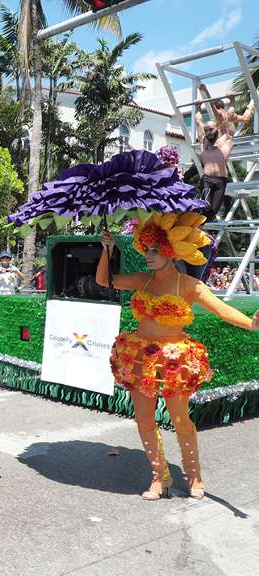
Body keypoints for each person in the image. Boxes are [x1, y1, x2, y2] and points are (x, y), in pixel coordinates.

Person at [98, 213, 259, 501]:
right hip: (142, 358)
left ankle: (194, 475)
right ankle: (160, 477)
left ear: (171, 251)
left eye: (154, 250)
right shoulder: (142, 280)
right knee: (144, 419)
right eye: (146, 249)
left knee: (180, 419)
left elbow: (222, 310)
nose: (148, 255)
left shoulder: (188, 285)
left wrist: (251, 323)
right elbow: (103, 280)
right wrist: (106, 249)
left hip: (174, 359)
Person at [195, 84, 255, 221]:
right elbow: (200, 121)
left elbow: (225, 118)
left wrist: (233, 101)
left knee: (213, 212)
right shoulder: (208, 134)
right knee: (206, 206)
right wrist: (201, 102)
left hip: (223, 145)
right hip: (210, 171)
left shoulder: (221, 118)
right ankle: (195, 220)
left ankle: (200, 224)